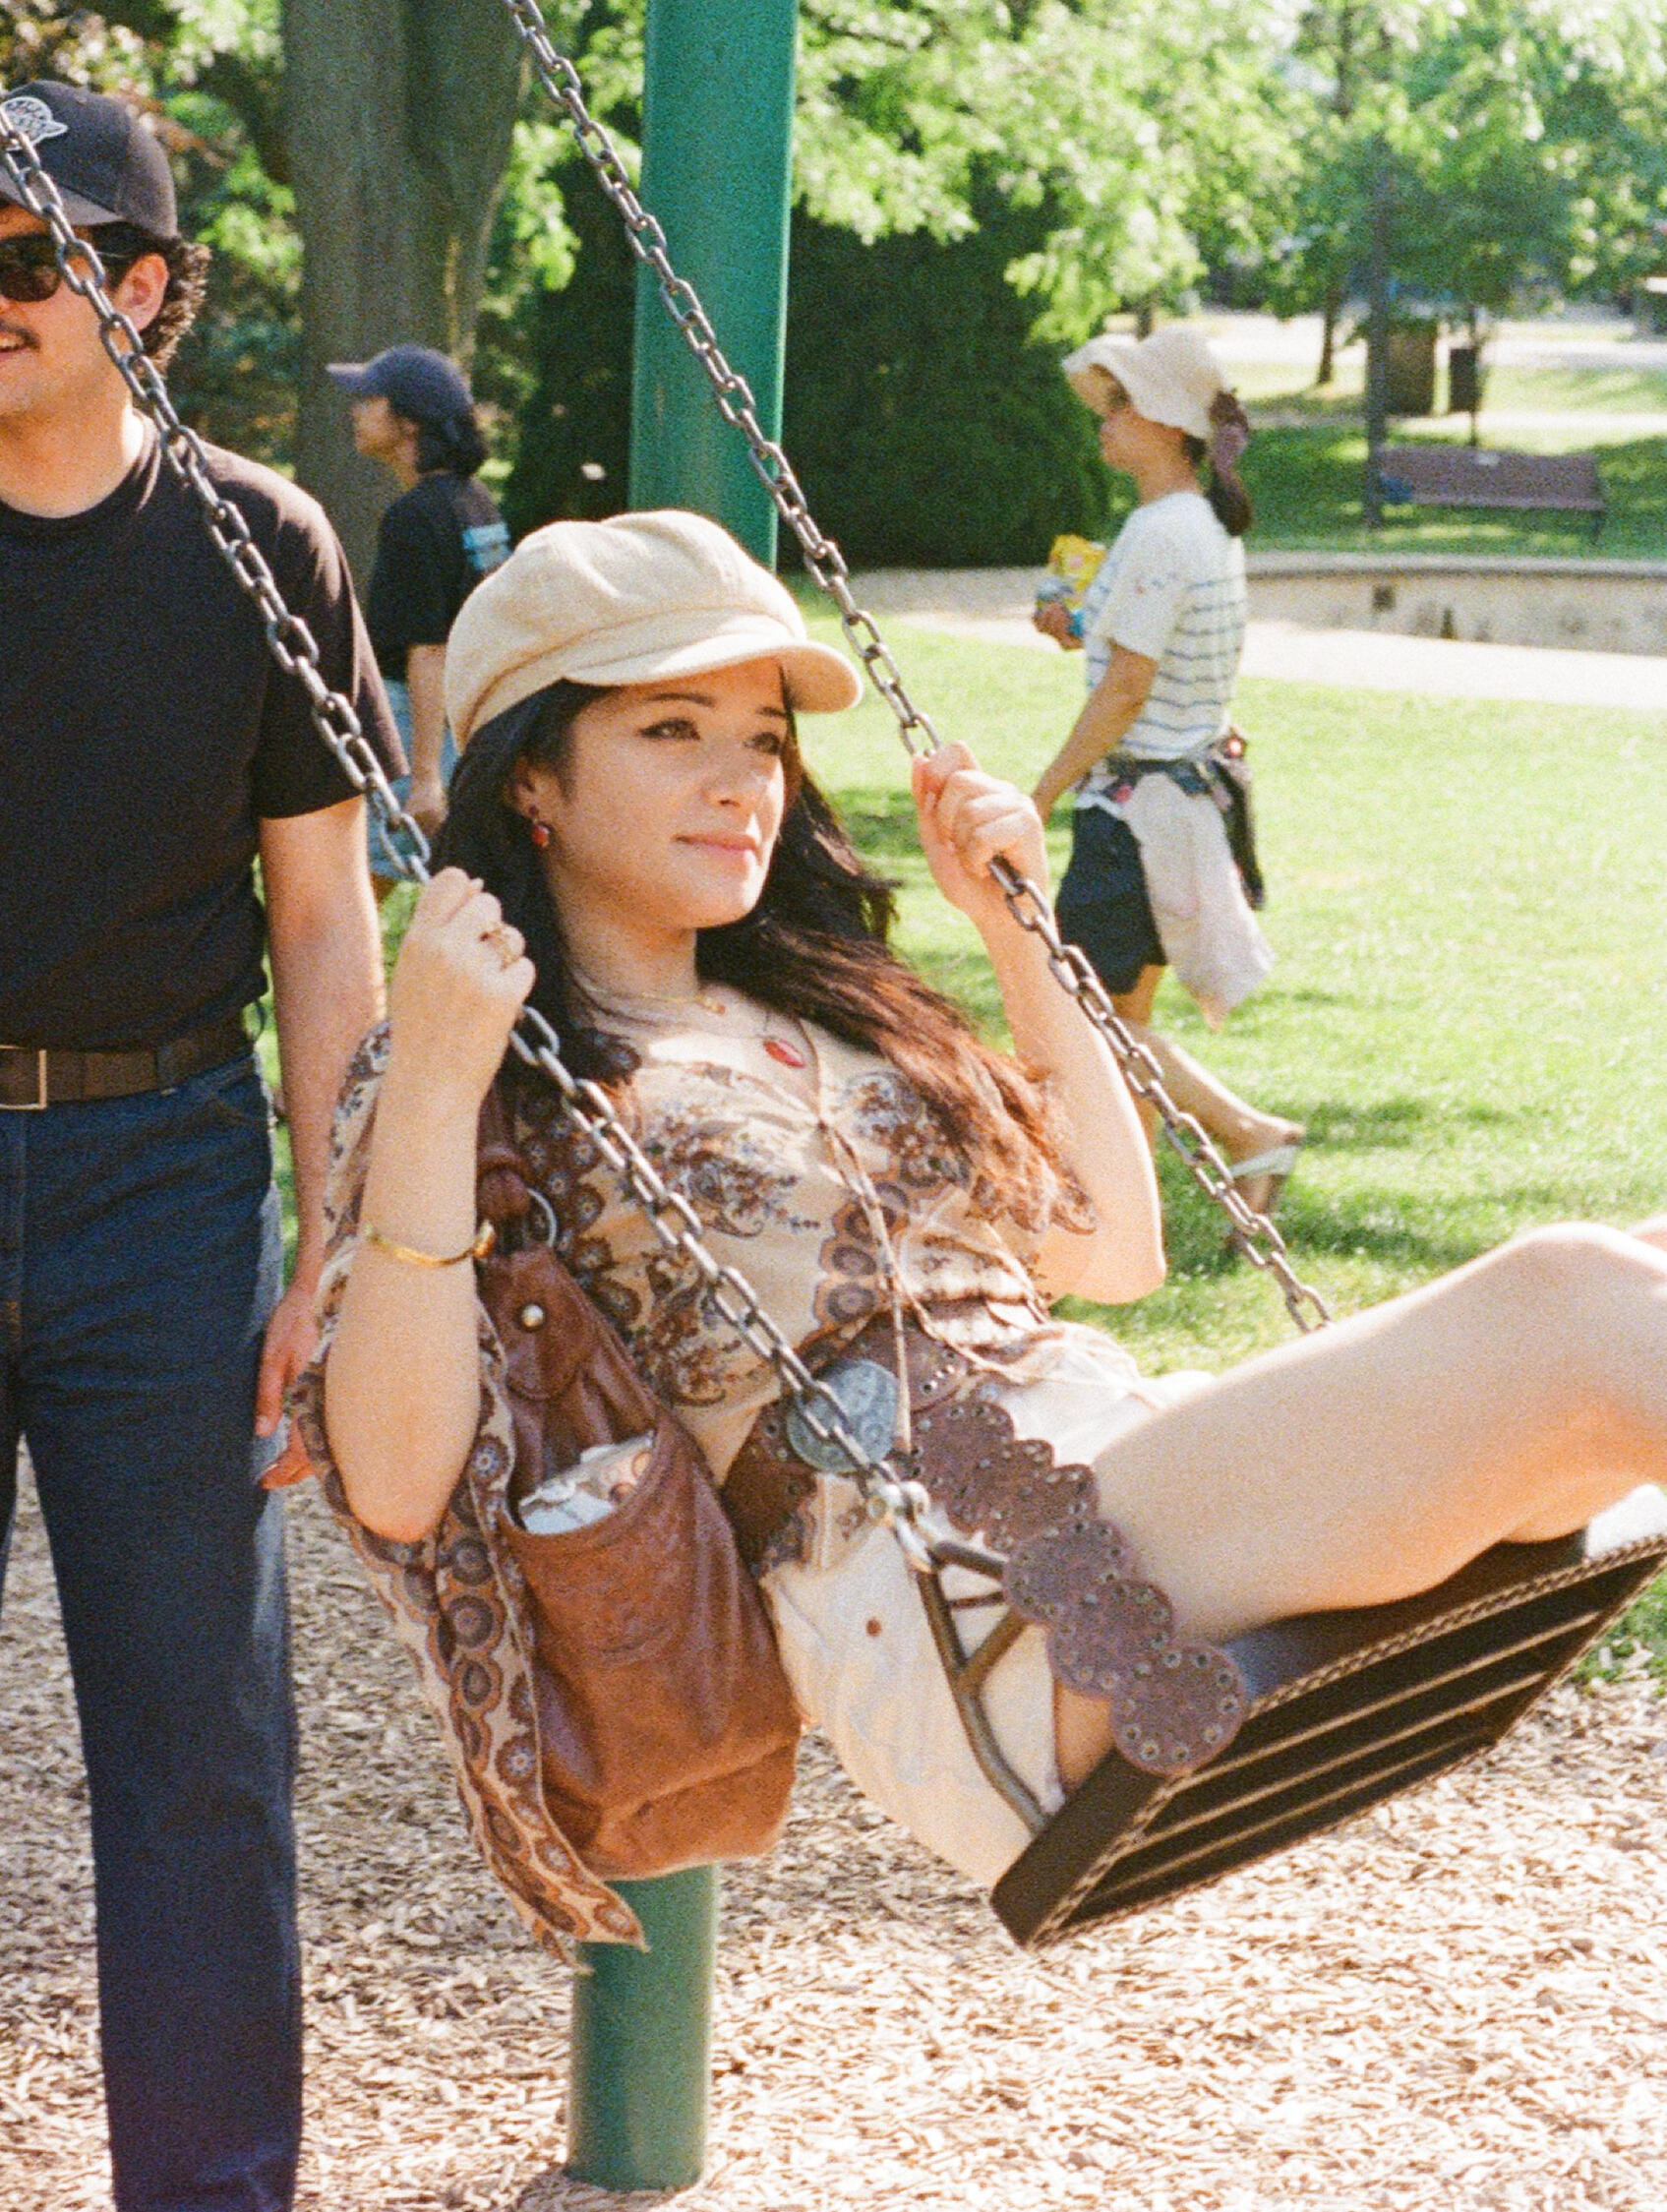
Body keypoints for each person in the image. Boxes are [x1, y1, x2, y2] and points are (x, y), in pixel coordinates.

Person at [297, 508, 1667, 1919]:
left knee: (1634, 1273)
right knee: (1567, 1297)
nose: (739, 783)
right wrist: (438, 1078)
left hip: (1114, 1461)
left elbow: (1110, 1248)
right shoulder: (479, 1063)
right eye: (670, 730)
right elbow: (397, 1479)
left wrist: (1017, 927)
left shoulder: (821, 1009)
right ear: (533, 774)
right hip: (975, 1601)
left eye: (763, 738)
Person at [0, 81, 399, 2212]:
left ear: (144, 287)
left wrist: (338, 1234)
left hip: (165, 1174)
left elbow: (325, 918)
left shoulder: (263, 542)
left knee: (198, 1756)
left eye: (29, 254)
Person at [1033, 324, 1302, 1221]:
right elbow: (1155, 653)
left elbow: (1128, 685)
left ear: (1166, 423)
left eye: (1120, 405)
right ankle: (1126, 1209)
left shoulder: (1159, 533)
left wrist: (1041, 791)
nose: (1104, 421)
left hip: (1135, 811)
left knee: (1084, 1015)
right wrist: (1076, 626)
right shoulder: (1199, 525)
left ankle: (1248, 1131)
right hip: (1180, 801)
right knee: (1121, 1016)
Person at [329, 343, 510, 893]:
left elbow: (429, 648)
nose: (355, 411)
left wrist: (426, 777)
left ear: (408, 422)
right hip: (469, 715)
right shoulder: (475, 501)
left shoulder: (415, 516)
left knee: (353, 895)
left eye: (369, 399)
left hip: (417, 726)